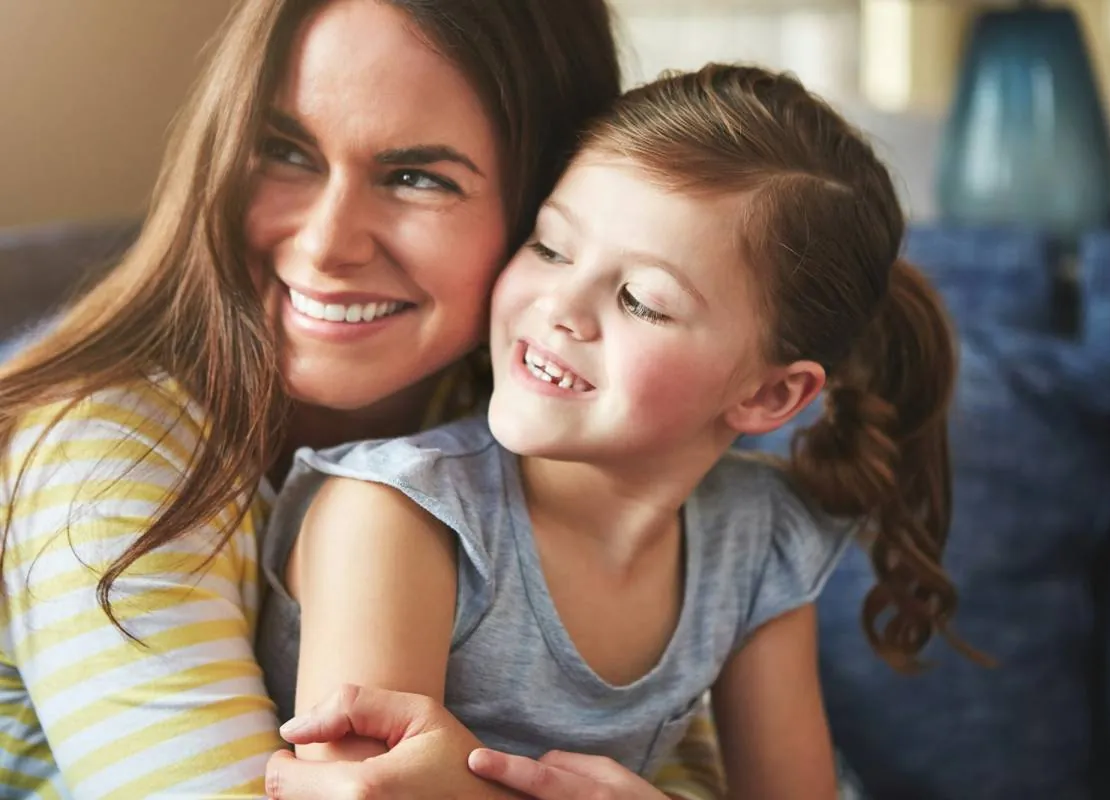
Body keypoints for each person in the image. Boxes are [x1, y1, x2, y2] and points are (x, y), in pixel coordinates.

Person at [0, 1, 725, 797]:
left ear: (549, 210)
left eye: (417, 177)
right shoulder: (111, 455)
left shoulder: (537, 419)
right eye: (285, 151)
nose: (326, 243)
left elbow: (673, 772)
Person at [259, 63, 970, 799]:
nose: (561, 304)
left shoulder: (755, 542)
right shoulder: (398, 516)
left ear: (769, 394)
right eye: (551, 247)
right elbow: (357, 792)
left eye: (641, 300)